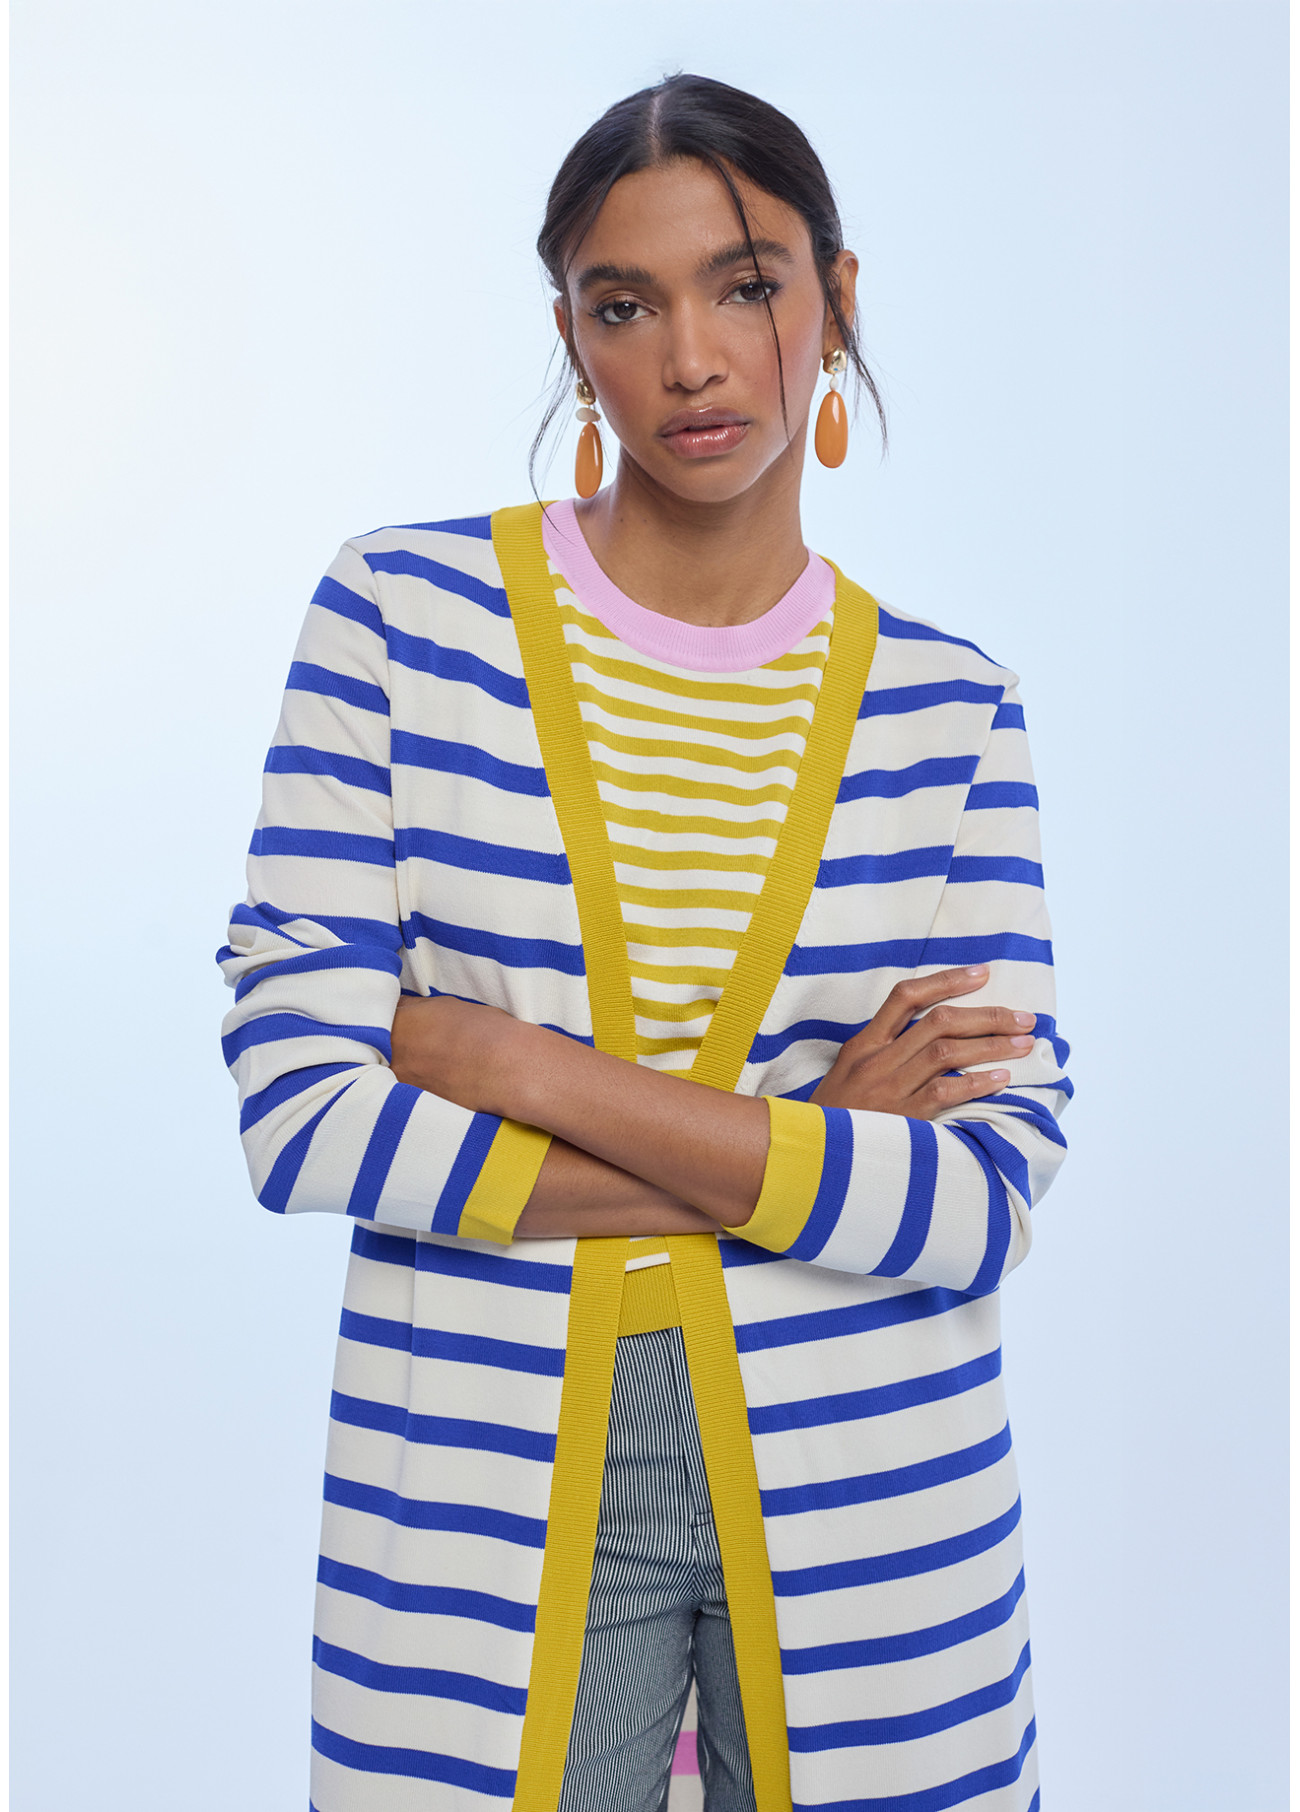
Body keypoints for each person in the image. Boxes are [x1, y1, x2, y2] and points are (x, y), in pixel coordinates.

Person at [218, 72, 1068, 1812]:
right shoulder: (400, 624)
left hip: (878, 1504)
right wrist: (807, 1141)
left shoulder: (950, 712)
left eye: (744, 287)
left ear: (837, 296)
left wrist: (512, 1067)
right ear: (572, 338)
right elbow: (302, 1119)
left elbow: (978, 1199)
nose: (691, 358)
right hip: (483, 1489)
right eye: (624, 306)